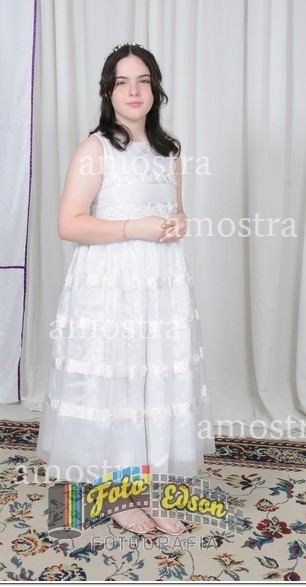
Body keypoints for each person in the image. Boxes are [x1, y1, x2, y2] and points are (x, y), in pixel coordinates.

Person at [37, 43, 216, 535]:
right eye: (122, 82)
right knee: (117, 381)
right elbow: (69, 223)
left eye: (142, 80)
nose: (133, 91)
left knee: (156, 382)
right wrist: (135, 228)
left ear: (155, 89)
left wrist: (179, 222)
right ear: (109, 93)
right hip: (109, 283)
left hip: (160, 283)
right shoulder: (95, 149)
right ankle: (118, 492)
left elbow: (174, 210)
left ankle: (153, 487)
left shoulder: (169, 150)